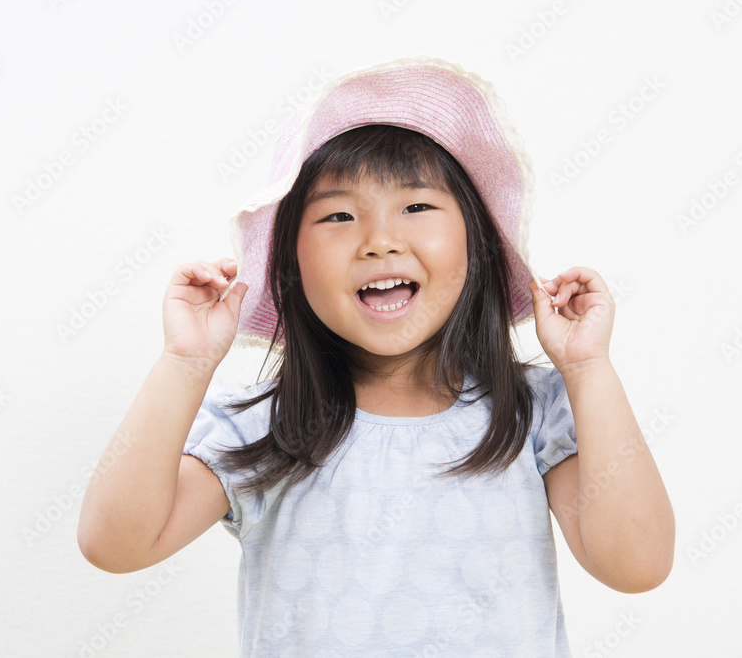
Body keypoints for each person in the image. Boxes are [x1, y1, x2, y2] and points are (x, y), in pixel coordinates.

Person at [77, 57, 675, 656]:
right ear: (291, 265)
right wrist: (185, 361)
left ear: (477, 242)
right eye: (338, 216)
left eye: (416, 207)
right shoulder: (262, 428)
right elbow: (115, 545)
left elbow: (638, 564)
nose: (380, 241)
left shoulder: (531, 413)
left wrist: (588, 368)